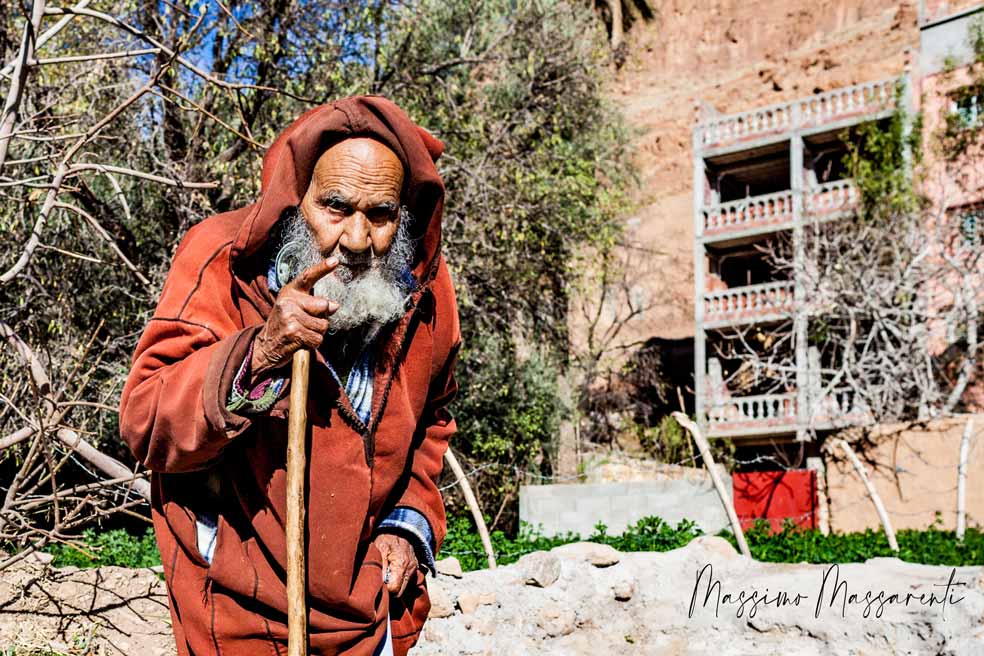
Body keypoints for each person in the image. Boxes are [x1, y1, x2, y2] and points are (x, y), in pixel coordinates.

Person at [119, 96, 460, 656]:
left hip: (370, 608)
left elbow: (433, 419)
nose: (356, 239)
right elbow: (147, 422)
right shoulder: (225, 263)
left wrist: (407, 521)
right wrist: (261, 352)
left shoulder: (422, 286)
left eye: (380, 214)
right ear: (296, 196)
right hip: (240, 606)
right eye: (335, 207)